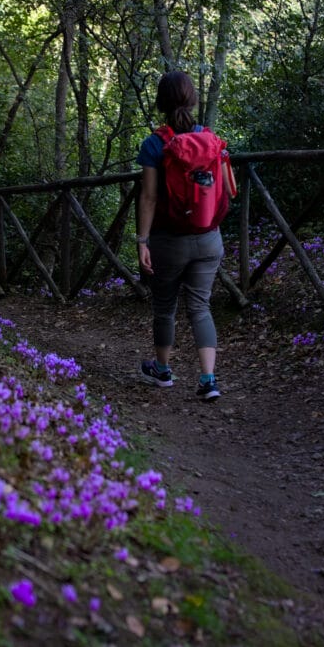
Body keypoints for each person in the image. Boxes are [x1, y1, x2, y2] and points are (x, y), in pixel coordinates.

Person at [135, 70, 230, 401]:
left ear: (161, 102)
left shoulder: (153, 144)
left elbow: (148, 197)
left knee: (165, 307)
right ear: (192, 99)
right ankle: (208, 380)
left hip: (168, 240)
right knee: (201, 307)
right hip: (208, 236)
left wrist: (142, 241)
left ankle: (163, 372)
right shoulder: (211, 139)